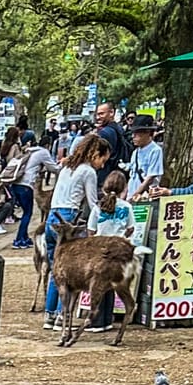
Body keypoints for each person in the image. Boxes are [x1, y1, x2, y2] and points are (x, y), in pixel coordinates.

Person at [42, 133, 108, 328]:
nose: (102, 165)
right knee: (72, 272)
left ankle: (50, 314)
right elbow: (93, 203)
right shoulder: (88, 172)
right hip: (69, 220)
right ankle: (63, 315)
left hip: (53, 218)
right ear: (95, 154)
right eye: (103, 160)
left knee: (57, 269)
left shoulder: (66, 168)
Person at [86, 169, 136, 330]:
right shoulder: (127, 207)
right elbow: (131, 228)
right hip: (118, 253)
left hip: (100, 252)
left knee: (98, 286)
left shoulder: (97, 208)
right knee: (112, 285)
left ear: (104, 187)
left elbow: (91, 230)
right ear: (123, 189)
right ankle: (108, 319)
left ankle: (96, 321)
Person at [10, 134, 56, 248]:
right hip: (26, 185)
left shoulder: (27, 151)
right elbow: (54, 168)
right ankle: (19, 239)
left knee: (26, 211)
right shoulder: (43, 152)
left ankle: (25, 238)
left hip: (15, 183)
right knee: (27, 213)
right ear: (48, 145)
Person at [92, 101, 131, 189]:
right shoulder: (119, 129)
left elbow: (97, 157)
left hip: (104, 177)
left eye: (101, 114)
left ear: (111, 112)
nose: (98, 117)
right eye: (97, 114)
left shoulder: (105, 133)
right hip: (117, 176)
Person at [127, 115, 164, 200]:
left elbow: (150, 178)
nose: (133, 136)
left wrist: (135, 194)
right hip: (131, 196)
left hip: (144, 196)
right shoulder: (135, 152)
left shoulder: (155, 151)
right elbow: (132, 177)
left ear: (147, 132)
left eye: (137, 133)